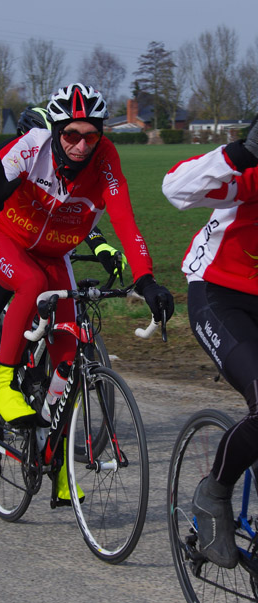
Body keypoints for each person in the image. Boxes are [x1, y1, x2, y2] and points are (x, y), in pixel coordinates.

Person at [0, 83, 174, 503]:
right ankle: (5, 385)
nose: (81, 146)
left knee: (68, 361)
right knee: (29, 283)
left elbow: (126, 223)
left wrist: (147, 280)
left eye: (91, 135)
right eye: (71, 135)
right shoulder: (33, 146)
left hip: (54, 254)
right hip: (4, 238)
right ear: (56, 131)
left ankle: (58, 465)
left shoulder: (106, 160)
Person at [162, 117, 258, 568]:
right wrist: (240, 153)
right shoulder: (250, 175)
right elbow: (176, 189)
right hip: (220, 294)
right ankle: (213, 492)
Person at [0, 106, 127, 363]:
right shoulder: (10, 155)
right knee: (17, 271)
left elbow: (68, 215)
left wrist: (100, 246)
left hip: (31, 227)